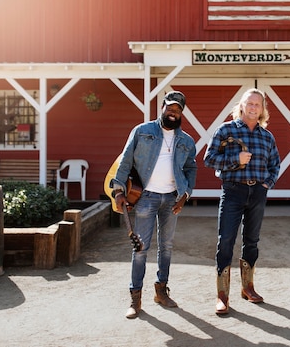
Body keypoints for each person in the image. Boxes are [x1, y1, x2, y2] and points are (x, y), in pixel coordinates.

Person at [111, 91, 197, 319]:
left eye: (177, 109)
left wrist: (185, 194)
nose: (173, 112)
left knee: (166, 246)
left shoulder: (187, 141)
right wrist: (118, 190)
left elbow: (191, 168)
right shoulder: (142, 131)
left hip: (171, 198)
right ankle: (135, 298)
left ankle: (161, 291)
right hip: (145, 197)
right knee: (140, 249)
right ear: (162, 107)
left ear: (182, 112)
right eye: (169, 107)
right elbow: (126, 159)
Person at [204, 88, 281, 315]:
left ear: (262, 109)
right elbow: (209, 159)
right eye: (249, 103)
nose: (253, 107)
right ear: (242, 106)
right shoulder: (226, 130)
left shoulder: (267, 136)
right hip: (233, 191)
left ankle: (248, 288)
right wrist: (234, 159)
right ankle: (222, 296)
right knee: (226, 239)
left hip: (257, 192)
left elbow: (275, 165)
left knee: (252, 241)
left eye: (258, 104)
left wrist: (267, 184)